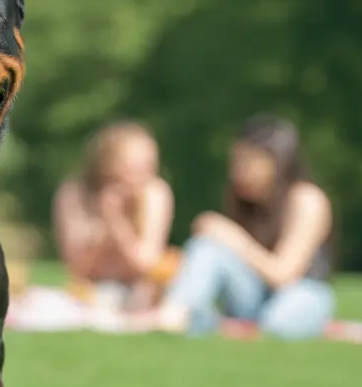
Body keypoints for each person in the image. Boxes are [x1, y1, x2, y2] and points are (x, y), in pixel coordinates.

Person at [140, 114, 336, 339]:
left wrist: (231, 236)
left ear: (276, 162)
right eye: (236, 161)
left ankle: (205, 320)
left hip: (300, 292)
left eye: (248, 162)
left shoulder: (306, 200)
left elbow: (283, 274)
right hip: (254, 295)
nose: (237, 171)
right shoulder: (246, 202)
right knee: (207, 247)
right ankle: (174, 313)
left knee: (279, 322)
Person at [52, 120, 177, 310]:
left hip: (139, 293)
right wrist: (104, 226)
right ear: (108, 165)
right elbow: (78, 268)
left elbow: (146, 265)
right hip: (90, 292)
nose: (146, 174)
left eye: (150, 165)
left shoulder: (155, 192)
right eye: (136, 167)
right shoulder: (74, 193)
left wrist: (116, 222)